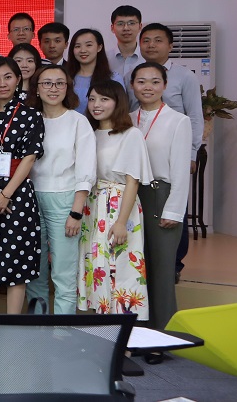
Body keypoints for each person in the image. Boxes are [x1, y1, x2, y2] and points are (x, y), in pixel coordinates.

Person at [0, 57, 45, 315]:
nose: (2, 83)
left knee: (18, 262)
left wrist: (5, 194)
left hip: (19, 194)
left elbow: (30, 157)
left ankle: (11, 324)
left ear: (18, 79)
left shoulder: (31, 115)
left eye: (7, 77)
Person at [78, 79, 152, 320]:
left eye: (104, 99)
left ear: (118, 102)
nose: (96, 105)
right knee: (96, 263)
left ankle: (125, 328)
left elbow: (133, 181)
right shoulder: (89, 133)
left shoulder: (131, 134)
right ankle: (100, 323)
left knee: (121, 265)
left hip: (119, 205)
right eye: (92, 99)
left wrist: (121, 222)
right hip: (92, 206)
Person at [25, 65, 95, 315]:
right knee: (35, 272)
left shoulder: (78, 121)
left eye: (59, 83)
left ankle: (63, 330)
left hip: (65, 200)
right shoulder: (29, 119)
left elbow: (86, 169)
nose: (53, 88)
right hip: (30, 199)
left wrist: (76, 212)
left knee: (63, 273)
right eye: (47, 83)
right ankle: (37, 326)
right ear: (37, 88)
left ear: (67, 88)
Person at [130, 62, 191, 328]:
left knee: (161, 270)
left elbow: (180, 171)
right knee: (135, 268)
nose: (148, 87)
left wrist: (174, 210)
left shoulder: (178, 121)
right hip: (131, 197)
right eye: (141, 81)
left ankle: (163, 334)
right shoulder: (127, 118)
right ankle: (137, 331)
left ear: (165, 86)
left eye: (155, 81)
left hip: (160, 196)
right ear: (132, 85)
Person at [137, 24, 202, 168]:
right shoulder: (132, 76)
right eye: (146, 41)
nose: (151, 45)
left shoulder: (185, 76)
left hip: (173, 148)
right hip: (138, 148)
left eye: (158, 40)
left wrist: (191, 153)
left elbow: (194, 115)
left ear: (170, 46)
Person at [65, 29, 122, 101]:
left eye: (88, 45)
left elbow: (121, 105)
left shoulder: (113, 78)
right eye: (77, 46)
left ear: (99, 47)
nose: (83, 50)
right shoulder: (65, 77)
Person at [108, 5, 144, 82]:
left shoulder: (147, 58)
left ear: (140, 27)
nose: (126, 28)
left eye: (131, 23)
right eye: (120, 24)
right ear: (112, 28)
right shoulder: (104, 59)